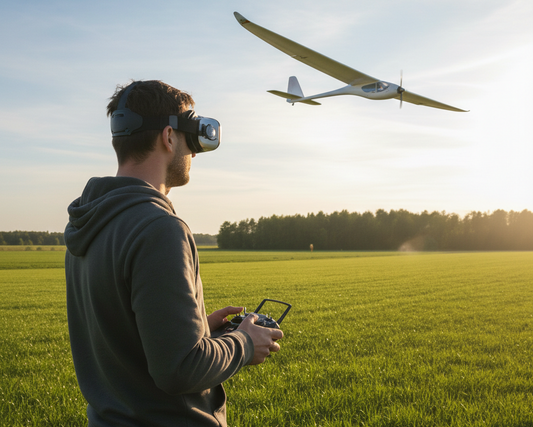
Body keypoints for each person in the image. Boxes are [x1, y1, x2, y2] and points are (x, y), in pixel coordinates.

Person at [64, 80, 283, 427]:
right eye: (190, 140)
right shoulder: (160, 228)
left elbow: (127, 341)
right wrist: (243, 343)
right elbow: (180, 370)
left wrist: (197, 334)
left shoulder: (88, 222)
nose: (193, 153)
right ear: (168, 137)